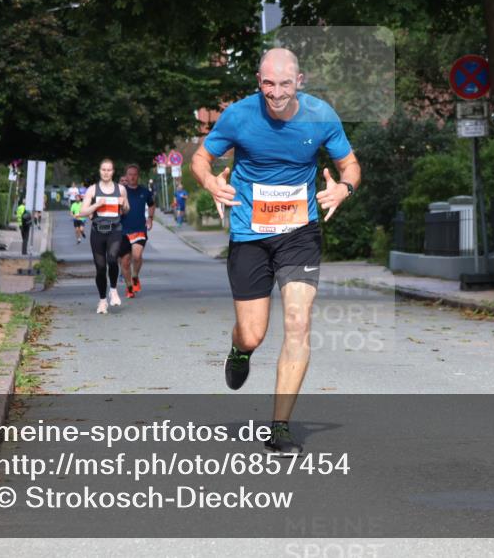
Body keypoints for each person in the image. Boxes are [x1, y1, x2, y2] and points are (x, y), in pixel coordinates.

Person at [191, 48, 360, 455]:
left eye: (285, 83)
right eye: (269, 83)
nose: (277, 92)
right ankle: (239, 349)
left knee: (299, 322)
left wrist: (344, 187)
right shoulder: (238, 116)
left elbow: (350, 165)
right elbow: (201, 158)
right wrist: (211, 183)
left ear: (299, 81)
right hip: (250, 234)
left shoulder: (321, 116)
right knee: (253, 333)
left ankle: (280, 427)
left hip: (299, 233)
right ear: (258, 80)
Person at [78, 158, 130, 314]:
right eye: (103, 170)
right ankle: (102, 301)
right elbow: (82, 212)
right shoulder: (92, 190)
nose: (106, 172)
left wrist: (124, 203)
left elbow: (126, 209)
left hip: (115, 229)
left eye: (109, 170)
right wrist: (96, 205)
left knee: (113, 259)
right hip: (98, 231)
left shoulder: (120, 189)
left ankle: (113, 290)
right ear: (100, 171)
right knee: (100, 268)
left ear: (113, 172)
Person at [118, 164, 155, 298]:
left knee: (137, 256)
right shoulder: (121, 192)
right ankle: (129, 287)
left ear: (138, 176)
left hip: (139, 229)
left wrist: (150, 218)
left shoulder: (144, 192)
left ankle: (135, 276)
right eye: (130, 174)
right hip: (123, 231)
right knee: (125, 261)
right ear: (126, 176)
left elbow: (151, 204)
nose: (132, 177)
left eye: (134, 174)